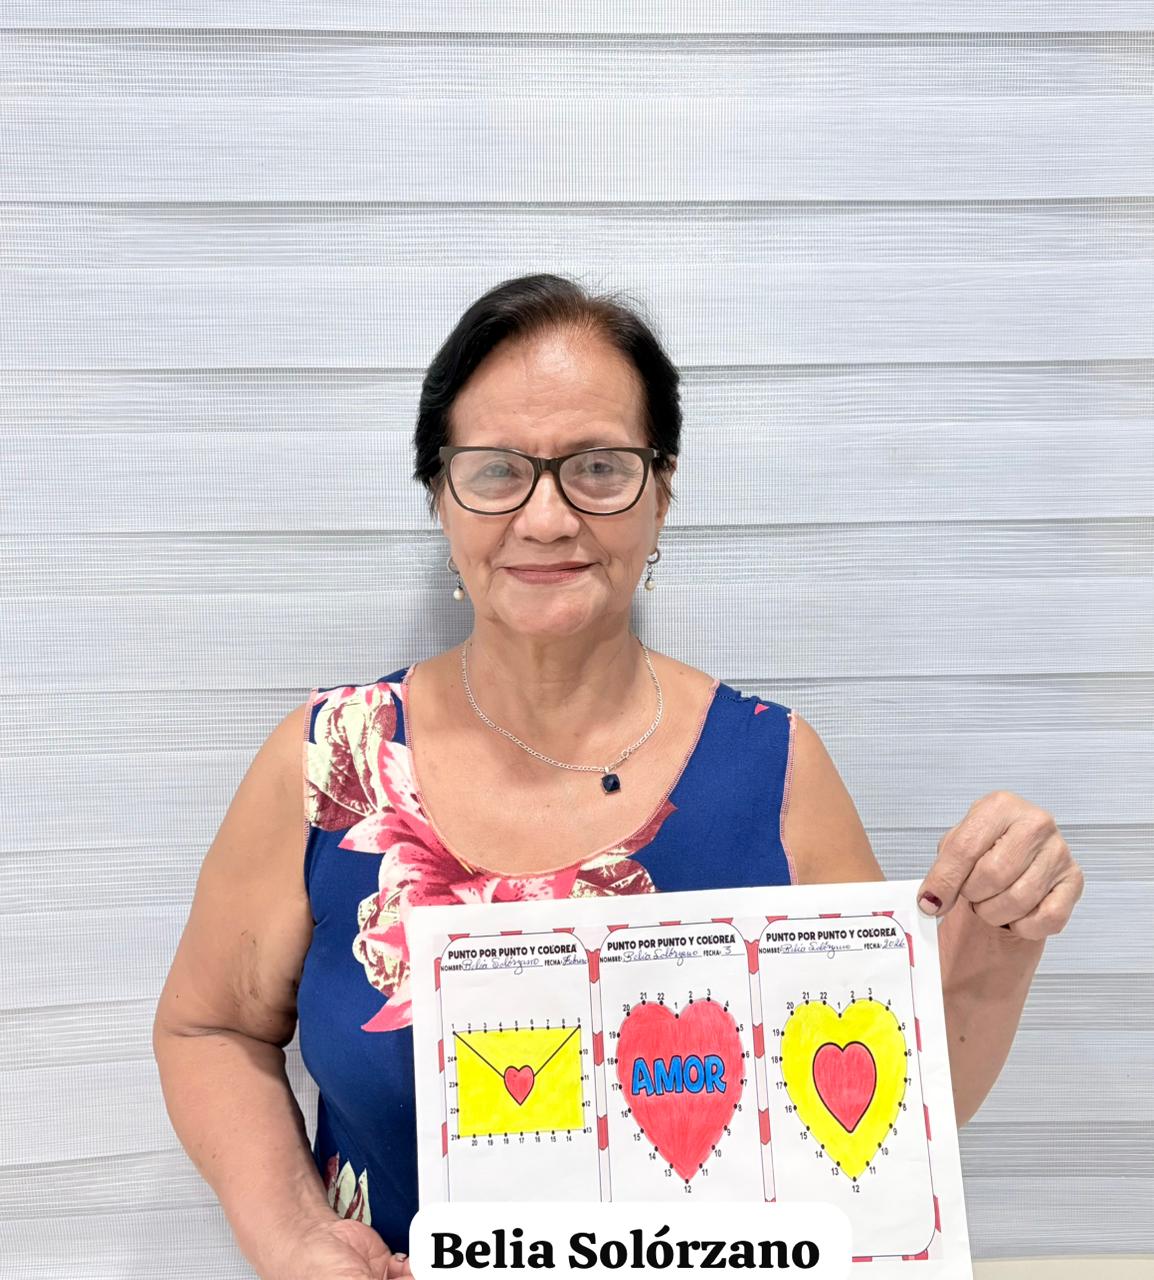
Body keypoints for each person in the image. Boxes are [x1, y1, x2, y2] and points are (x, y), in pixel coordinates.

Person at [153, 274, 1085, 1280]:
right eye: (496, 471)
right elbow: (210, 1027)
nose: (547, 517)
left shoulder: (775, 769)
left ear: (661, 490)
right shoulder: (331, 760)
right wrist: (291, 1234)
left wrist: (998, 939)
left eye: (597, 468)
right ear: (438, 494)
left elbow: (883, 1113)